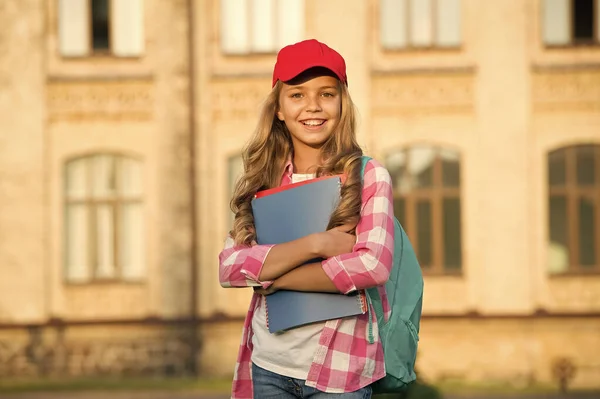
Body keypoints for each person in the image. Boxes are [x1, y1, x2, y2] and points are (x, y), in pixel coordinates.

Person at [218, 39, 395, 399]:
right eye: (297, 95)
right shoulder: (262, 179)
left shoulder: (368, 176)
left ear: (342, 103)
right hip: (268, 366)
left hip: (340, 373)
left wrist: (276, 277)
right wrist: (316, 244)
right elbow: (231, 268)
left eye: (326, 94)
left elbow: (372, 265)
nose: (312, 106)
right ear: (279, 108)